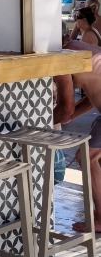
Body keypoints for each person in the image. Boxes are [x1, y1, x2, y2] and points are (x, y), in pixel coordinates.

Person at [54, 38, 101, 234]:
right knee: (90, 157)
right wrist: (71, 115)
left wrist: (43, 122)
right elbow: (93, 94)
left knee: (87, 157)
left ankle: (100, 219)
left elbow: (65, 109)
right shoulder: (81, 48)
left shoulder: (59, 58)